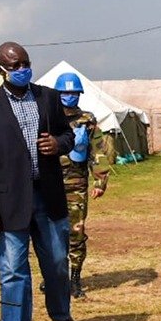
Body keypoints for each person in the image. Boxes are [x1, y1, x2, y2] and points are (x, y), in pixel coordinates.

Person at [0, 42, 78, 321]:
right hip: (9, 204)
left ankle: (62, 317)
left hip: (48, 197)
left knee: (58, 264)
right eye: (14, 66)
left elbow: (68, 136)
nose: (21, 70)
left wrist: (57, 143)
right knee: (13, 272)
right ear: (1, 69)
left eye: (25, 64)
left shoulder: (47, 97)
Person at [54, 72, 109, 299]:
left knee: (76, 233)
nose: (70, 96)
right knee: (51, 235)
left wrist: (100, 180)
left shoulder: (88, 120)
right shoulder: (47, 118)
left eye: (74, 92)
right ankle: (55, 278)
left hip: (76, 185)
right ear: (58, 94)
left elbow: (98, 151)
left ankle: (75, 279)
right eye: (66, 92)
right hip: (50, 185)